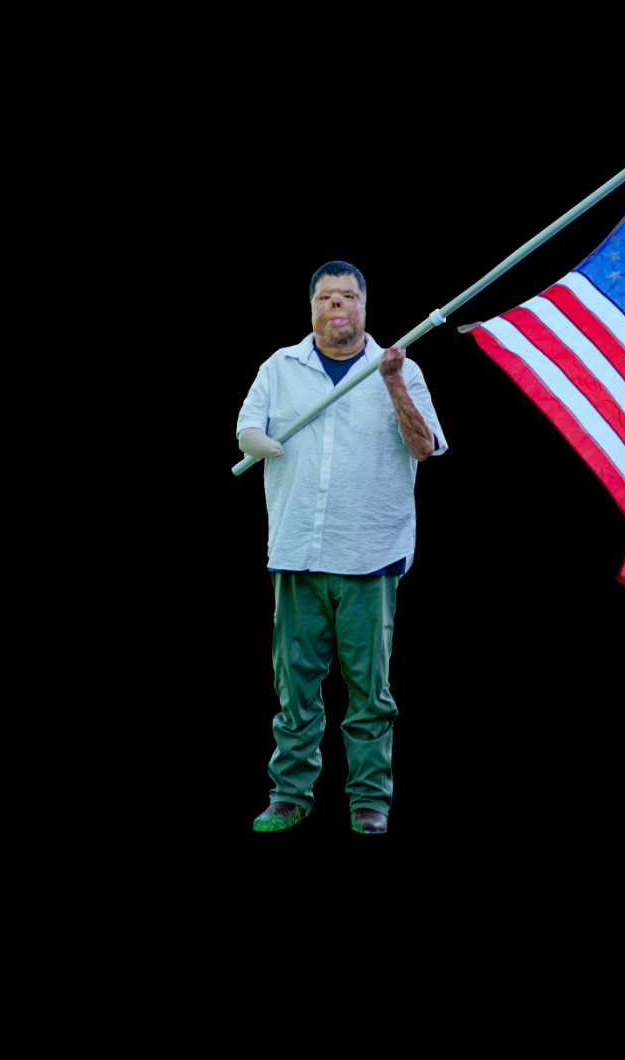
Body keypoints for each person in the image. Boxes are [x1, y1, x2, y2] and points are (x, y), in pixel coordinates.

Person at [235, 261, 446, 834]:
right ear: (312, 308)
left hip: (368, 554)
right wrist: (262, 443)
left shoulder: (402, 368)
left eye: (348, 297)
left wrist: (394, 380)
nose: (337, 307)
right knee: (295, 685)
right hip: (297, 550)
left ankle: (368, 799)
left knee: (368, 691)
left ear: (364, 307)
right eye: (326, 297)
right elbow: (247, 429)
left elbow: (424, 447)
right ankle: (291, 793)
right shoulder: (280, 368)